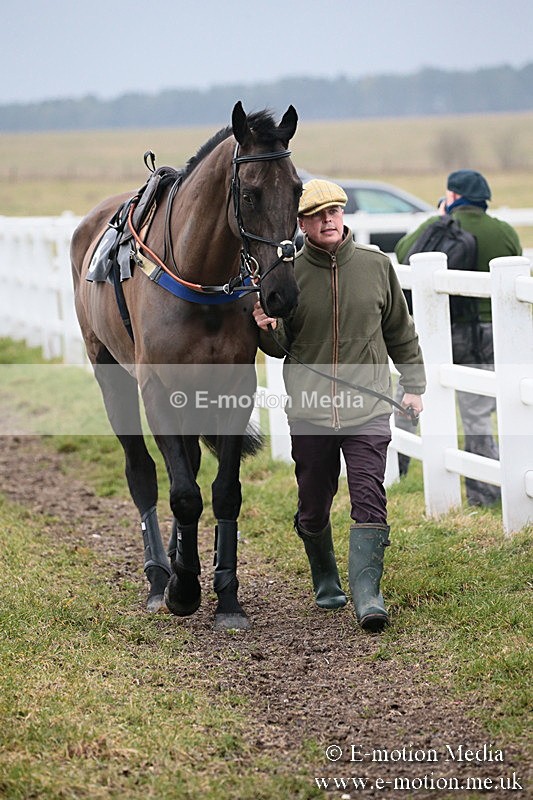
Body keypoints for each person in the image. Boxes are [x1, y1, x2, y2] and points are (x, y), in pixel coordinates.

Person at [253, 179, 426, 632]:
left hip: (368, 407)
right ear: (301, 223)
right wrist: (265, 328)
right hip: (310, 410)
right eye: (316, 214)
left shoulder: (375, 265)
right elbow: (279, 347)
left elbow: (400, 332)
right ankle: (326, 577)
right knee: (313, 506)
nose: (327, 220)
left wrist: (414, 385)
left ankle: (368, 594)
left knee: (370, 497)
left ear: (344, 214)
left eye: (334, 211)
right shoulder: (287, 274)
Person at [395, 170, 522, 506]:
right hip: (490, 332)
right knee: (477, 412)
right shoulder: (503, 231)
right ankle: (485, 492)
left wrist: (438, 219)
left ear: (452, 196)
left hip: (443, 331)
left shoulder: (441, 225)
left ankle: (397, 466)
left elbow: (403, 249)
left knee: (407, 397)